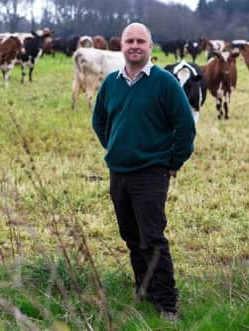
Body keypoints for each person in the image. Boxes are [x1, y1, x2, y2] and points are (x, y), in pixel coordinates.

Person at [92, 22, 196, 321]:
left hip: (151, 173)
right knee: (130, 235)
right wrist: (115, 146)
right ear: (121, 46)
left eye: (141, 41)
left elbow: (185, 126)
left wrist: (172, 161)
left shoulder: (164, 82)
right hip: (119, 172)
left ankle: (167, 304)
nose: (134, 45)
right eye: (129, 41)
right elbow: (99, 121)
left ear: (150, 47)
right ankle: (144, 288)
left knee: (152, 237)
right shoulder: (112, 83)